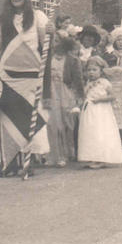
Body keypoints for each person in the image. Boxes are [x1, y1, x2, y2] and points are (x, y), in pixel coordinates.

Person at [0, 0, 52, 178]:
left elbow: (46, 47)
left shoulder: (38, 17)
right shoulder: (2, 18)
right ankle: (10, 162)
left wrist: (51, 33)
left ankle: (30, 161)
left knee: (29, 118)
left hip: (31, 77)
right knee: (9, 120)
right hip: (8, 77)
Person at [43, 35, 84, 167]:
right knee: (54, 124)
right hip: (52, 92)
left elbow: (78, 80)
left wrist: (79, 96)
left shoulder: (73, 60)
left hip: (67, 92)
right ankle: (55, 155)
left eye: (57, 41)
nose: (54, 44)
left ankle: (69, 153)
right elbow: (43, 80)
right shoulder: (46, 59)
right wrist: (45, 97)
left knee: (68, 123)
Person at [77, 56, 122, 169]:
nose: (91, 73)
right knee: (89, 132)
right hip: (89, 111)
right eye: (89, 70)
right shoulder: (87, 82)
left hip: (101, 111)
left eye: (94, 70)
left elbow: (112, 96)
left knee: (100, 132)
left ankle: (101, 158)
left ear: (101, 71)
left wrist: (100, 99)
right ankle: (92, 156)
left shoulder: (104, 82)